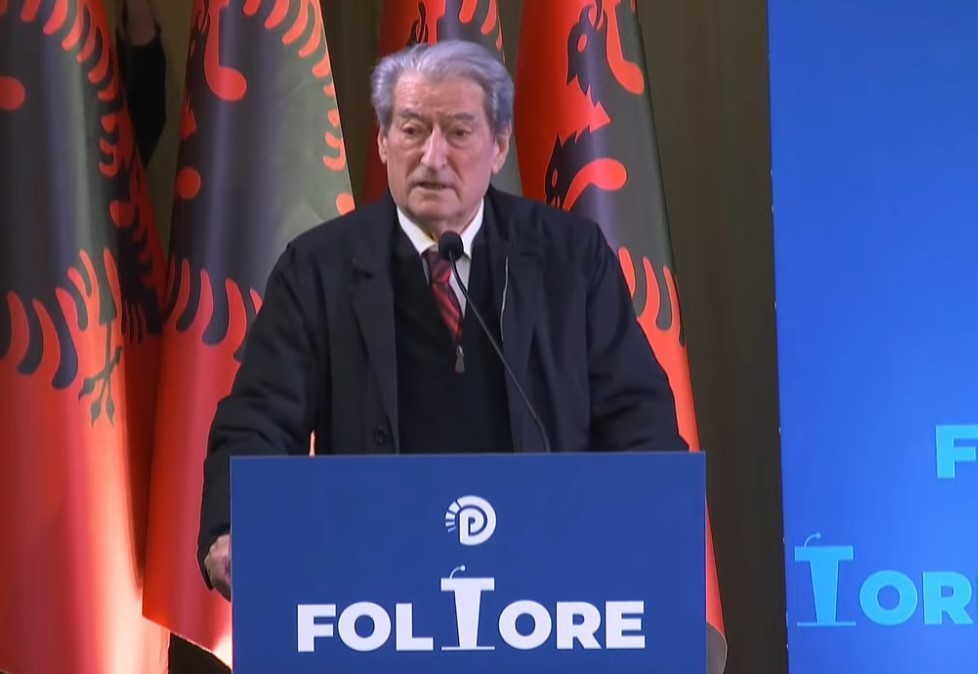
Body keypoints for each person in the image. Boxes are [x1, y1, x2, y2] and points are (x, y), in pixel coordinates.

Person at [197, 39, 687, 600]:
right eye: (412, 130)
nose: (432, 157)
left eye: (458, 132)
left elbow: (636, 415)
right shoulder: (318, 267)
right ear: (382, 141)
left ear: (499, 145)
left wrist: (652, 528)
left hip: (548, 582)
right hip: (375, 584)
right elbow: (260, 417)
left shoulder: (570, 258)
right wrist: (236, 524)